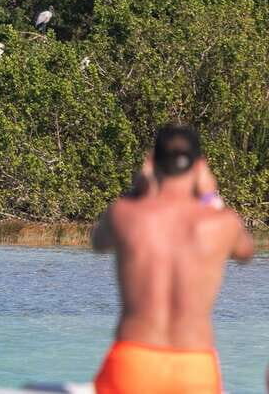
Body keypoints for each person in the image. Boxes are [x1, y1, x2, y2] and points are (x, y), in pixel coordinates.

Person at [92, 126, 253, 393]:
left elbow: (99, 242)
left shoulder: (125, 213)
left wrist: (137, 191)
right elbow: (246, 252)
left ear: (151, 163)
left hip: (134, 360)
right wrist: (211, 198)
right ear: (200, 166)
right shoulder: (223, 223)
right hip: (195, 364)